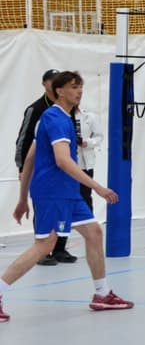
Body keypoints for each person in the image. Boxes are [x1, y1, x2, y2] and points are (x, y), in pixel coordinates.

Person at [1, 71, 131, 324]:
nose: (79, 91)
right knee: (45, 246)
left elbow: (30, 158)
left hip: (67, 192)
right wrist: (97, 187)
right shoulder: (56, 119)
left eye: (80, 87)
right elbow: (62, 160)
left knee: (94, 232)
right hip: (54, 192)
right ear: (59, 91)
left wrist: (22, 198)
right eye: (73, 87)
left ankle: (102, 294)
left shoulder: (59, 118)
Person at [13, 69, 76, 265]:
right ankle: (42, 250)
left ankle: (59, 248)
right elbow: (24, 139)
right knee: (44, 208)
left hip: (62, 170)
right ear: (45, 84)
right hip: (41, 169)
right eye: (51, 81)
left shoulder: (67, 108)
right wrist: (23, 167)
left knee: (64, 208)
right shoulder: (36, 109)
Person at [73, 105, 103, 210]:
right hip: (67, 164)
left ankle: (88, 219)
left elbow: (99, 137)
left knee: (85, 196)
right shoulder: (60, 117)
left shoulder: (90, 117)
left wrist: (87, 142)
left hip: (85, 164)